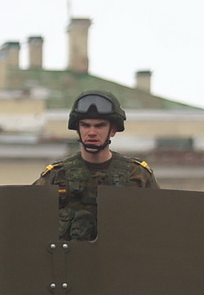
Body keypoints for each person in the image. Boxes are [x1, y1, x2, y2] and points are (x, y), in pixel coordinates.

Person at [33, 90, 157, 241]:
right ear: (78, 129)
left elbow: (158, 227)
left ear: (112, 130)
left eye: (99, 126)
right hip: (68, 262)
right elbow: (30, 225)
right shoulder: (56, 176)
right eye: (85, 125)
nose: (91, 132)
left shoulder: (137, 175)